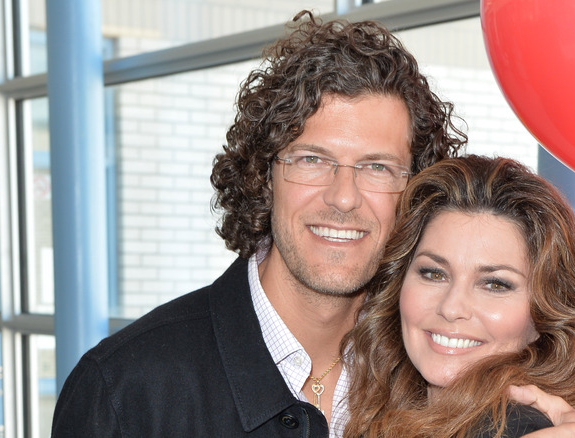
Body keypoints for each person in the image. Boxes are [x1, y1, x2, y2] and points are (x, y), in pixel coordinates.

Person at [51, 10, 465, 438]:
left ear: (414, 191)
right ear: (264, 176)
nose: (343, 196)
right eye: (312, 160)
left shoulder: (436, 376)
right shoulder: (125, 390)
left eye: (377, 167)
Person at [342, 155, 575, 438]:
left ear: (544, 316)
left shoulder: (513, 427)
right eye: (434, 273)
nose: (451, 307)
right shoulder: (394, 407)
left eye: (495, 284)